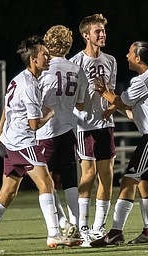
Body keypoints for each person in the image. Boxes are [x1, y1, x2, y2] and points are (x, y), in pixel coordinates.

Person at [0, 35, 82, 253]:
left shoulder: (19, 78)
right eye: (44, 55)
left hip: (11, 142)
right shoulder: (30, 85)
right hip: (23, 142)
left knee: (7, 192)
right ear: (33, 59)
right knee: (47, 183)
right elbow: (33, 125)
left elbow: (6, 108)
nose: (48, 58)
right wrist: (49, 115)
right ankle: (54, 234)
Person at [90, 41, 148, 247]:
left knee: (128, 181)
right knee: (144, 184)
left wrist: (104, 92)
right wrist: (114, 106)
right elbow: (132, 108)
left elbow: (123, 102)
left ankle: (115, 233)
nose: (126, 55)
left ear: (138, 58)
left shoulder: (143, 80)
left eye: (129, 52)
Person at [69, 13, 117, 246]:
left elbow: (112, 94)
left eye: (103, 30)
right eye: (97, 31)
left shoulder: (111, 61)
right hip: (84, 125)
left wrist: (109, 108)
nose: (102, 34)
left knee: (106, 177)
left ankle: (99, 228)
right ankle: (83, 226)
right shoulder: (75, 62)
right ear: (86, 35)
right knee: (88, 175)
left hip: (105, 125)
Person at [36, 25, 88, 237]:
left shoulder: (42, 70)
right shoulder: (77, 69)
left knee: (43, 179)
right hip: (68, 128)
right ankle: (75, 226)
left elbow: (34, 100)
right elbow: (82, 105)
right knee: (69, 179)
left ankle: (57, 227)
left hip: (45, 130)